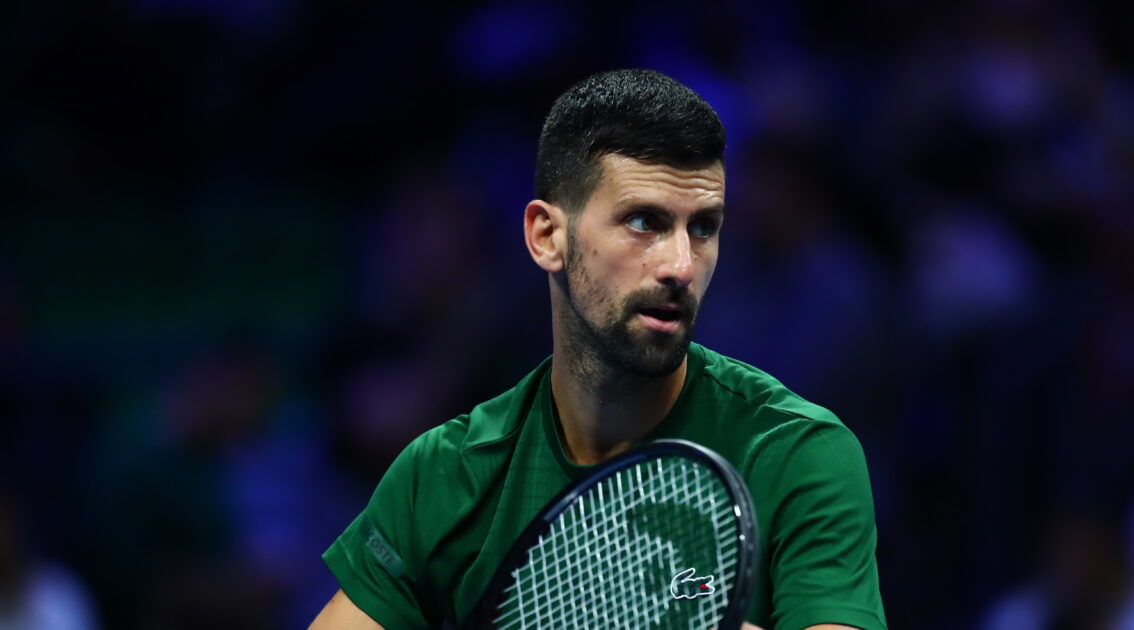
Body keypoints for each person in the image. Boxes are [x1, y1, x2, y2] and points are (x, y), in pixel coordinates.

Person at [309, 69, 887, 630]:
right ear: (547, 237)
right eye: (643, 222)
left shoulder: (797, 453)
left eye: (703, 228)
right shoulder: (445, 472)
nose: (681, 266)